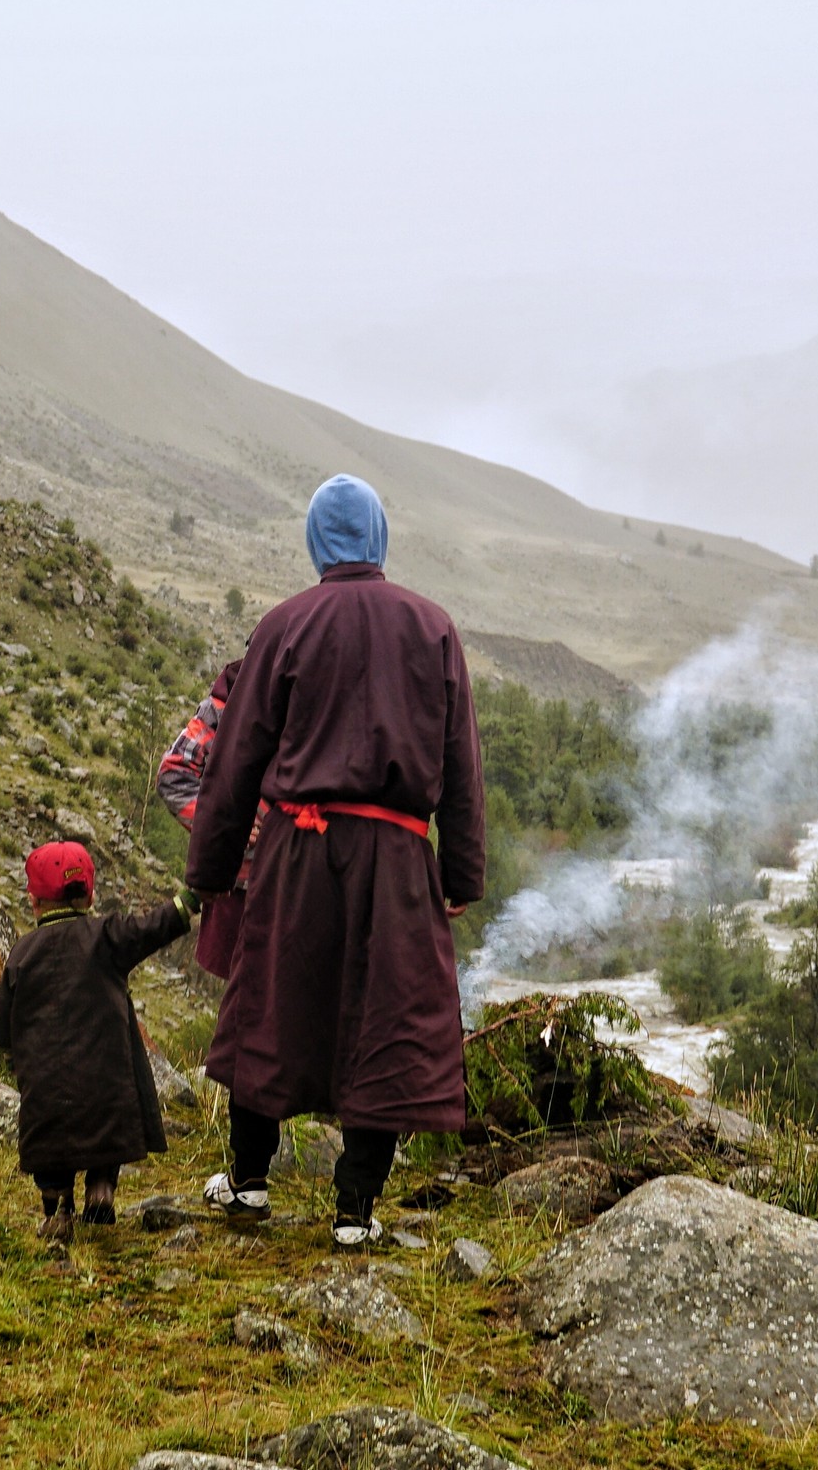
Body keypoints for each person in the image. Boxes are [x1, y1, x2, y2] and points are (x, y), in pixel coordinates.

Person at [184, 473, 484, 1247]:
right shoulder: (433, 627)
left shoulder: (284, 625)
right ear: (380, 538)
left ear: (318, 542)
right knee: (384, 1018)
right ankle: (355, 1211)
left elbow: (236, 761)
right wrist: (460, 876)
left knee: (270, 1007)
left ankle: (249, 1183)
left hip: (295, 853)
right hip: (397, 857)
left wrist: (211, 870)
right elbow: (461, 766)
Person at [0, 838, 196, 1243]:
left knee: (49, 1144)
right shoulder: (108, 936)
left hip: (47, 1096)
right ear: (90, 894)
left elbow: (1, 1034)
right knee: (110, 1125)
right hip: (107, 1090)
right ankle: (101, 1188)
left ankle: (57, 1207)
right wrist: (188, 899)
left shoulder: (21, 954)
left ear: (34, 902)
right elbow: (153, 927)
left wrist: (17, 1060)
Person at [155, 656, 260, 979]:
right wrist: (225, 827)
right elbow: (174, 775)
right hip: (240, 889)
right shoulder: (229, 701)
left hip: (307, 888)